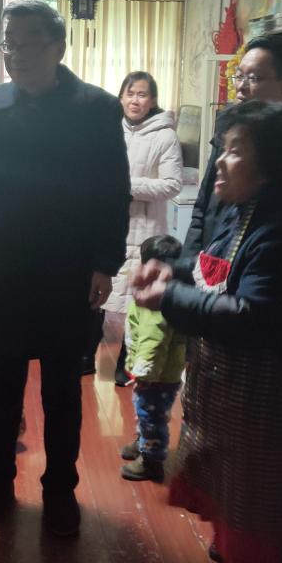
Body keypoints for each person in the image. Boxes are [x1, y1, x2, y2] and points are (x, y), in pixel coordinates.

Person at [0, 0, 130, 537]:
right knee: (2, 387)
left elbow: (113, 192)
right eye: (7, 44)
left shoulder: (96, 107)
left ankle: (60, 489)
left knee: (63, 391)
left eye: (27, 43)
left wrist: (106, 262)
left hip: (70, 271)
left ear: (57, 46)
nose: (14, 54)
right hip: (10, 267)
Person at [134, 102, 282, 563]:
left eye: (235, 151)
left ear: (271, 166)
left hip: (266, 398)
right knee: (243, 504)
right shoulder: (247, 212)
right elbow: (212, 269)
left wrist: (168, 298)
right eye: (222, 149)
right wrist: (172, 270)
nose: (219, 162)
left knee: (261, 516)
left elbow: (252, 315)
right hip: (235, 392)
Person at [182, 34, 282, 262]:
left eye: (254, 78)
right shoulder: (229, 135)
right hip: (211, 271)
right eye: (239, 76)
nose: (241, 86)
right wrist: (184, 268)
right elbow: (203, 209)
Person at [85, 71, 182, 386]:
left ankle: (127, 365)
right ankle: (85, 357)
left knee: (134, 299)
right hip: (107, 223)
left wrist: (125, 186)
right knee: (95, 289)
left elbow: (172, 184)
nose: (135, 100)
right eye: (130, 93)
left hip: (144, 227)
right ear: (121, 97)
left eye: (142, 94)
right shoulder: (110, 128)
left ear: (152, 100)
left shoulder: (165, 135)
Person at [118, 234, 187, 482]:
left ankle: (152, 461)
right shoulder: (165, 294)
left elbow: (153, 341)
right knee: (146, 411)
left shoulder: (157, 304)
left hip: (157, 377)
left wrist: (145, 375)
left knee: (152, 417)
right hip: (158, 374)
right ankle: (143, 443)